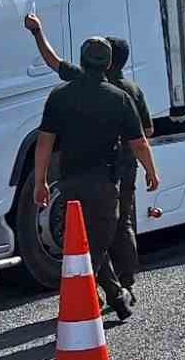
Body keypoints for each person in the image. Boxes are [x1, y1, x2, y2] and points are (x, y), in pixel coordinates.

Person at [24, 16, 153, 304]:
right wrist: (151, 170)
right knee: (117, 227)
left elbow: (52, 60)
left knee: (88, 234)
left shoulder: (66, 91)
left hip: (73, 176)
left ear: (85, 61)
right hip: (116, 173)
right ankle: (122, 285)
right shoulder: (127, 93)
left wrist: (37, 31)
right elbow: (144, 136)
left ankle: (111, 290)